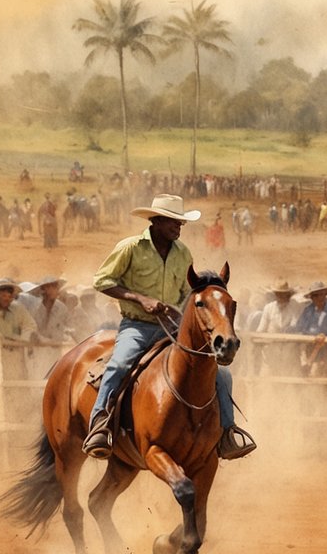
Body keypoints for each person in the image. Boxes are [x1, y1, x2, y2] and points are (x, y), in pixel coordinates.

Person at [82, 194, 255, 460]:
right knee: (119, 364)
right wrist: (140, 298)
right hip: (137, 325)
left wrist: (184, 312)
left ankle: (227, 432)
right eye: (174, 222)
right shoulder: (131, 247)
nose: (179, 227)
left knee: (222, 375)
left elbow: (189, 292)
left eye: (181, 223)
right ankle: (100, 425)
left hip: (172, 326)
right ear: (157, 221)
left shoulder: (183, 253)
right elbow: (102, 281)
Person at [294, 281, 327, 376]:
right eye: (315, 295)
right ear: (312, 297)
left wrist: (325, 337)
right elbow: (300, 328)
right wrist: (312, 338)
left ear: (325, 294)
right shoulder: (308, 310)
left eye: (321, 294)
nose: (319, 298)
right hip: (310, 349)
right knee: (308, 373)